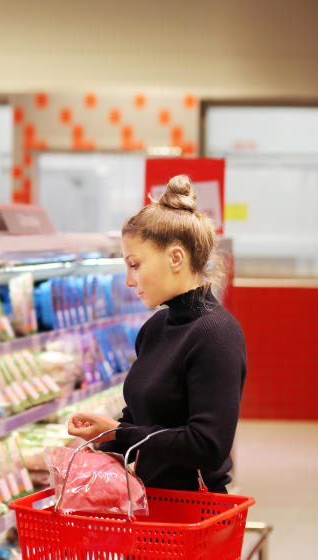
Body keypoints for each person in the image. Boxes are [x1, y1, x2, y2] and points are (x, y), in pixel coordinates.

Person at [67, 175, 246, 493]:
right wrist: (96, 446)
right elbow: (140, 420)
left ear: (176, 257)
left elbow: (207, 446)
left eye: (134, 265)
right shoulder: (155, 328)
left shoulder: (216, 335)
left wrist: (118, 434)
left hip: (193, 514)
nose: (128, 280)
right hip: (148, 504)